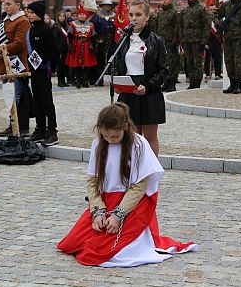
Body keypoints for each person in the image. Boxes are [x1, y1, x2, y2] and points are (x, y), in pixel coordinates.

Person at [57, 103, 198, 267]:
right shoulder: (98, 144)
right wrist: (97, 212)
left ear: (125, 128)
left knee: (104, 251)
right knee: (72, 243)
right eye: (105, 136)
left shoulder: (138, 145)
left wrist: (118, 215)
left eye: (115, 137)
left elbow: (140, 186)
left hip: (133, 203)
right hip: (105, 202)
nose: (109, 140)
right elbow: (93, 181)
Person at [113, 0, 168, 156]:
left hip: (149, 91)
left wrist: (149, 86)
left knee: (149, 137)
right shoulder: (124, 39)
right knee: (132, 136)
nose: (134, 18)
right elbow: (117, 64)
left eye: (138, 14)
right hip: (129, 91)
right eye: (131, 14)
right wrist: (117, 83)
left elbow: (164, 70)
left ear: (147, 16)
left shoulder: (156, 41)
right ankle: (133, 170)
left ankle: (151, 174)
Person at [0, 0, 32, 137]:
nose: (5, 6)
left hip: (17, 64)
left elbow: (19, 43)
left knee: (18, 96)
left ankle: (18, 125)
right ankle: (14, 123)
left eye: (8, 4)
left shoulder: (22, 21)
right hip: (4, 63)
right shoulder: (5, 21)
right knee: (10, 95)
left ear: (18, 6)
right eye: (5, 4)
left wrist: (1, 50)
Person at [26, 0, 60, 146]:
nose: (29, 14)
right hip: (33, 72)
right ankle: (40, 128)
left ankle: (52, 131)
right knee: (37, 101)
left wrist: (52, 68)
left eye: (32, 12)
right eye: (29, 12)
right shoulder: (31, 30)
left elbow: (55, 51)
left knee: (47, 102)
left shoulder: (46, 30)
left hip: (44, 71)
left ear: (39, 14)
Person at [180, 0, 210, 89]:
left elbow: (207, 25)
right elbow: (182, 26)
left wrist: (204, 40)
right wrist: (182, 39)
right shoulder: (186, 10)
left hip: (197, 40)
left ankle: (197, 82)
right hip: (187, 40)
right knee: (189, 62)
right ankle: (192, 81)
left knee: (197, 63)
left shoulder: (201, 9)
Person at [66, 8, 98, 88]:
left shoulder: (90, 24)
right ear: (77, 15)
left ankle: (85, 80)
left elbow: (93, 36)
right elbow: (69, 36)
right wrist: (69, 46)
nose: (82, 16)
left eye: (83, 14)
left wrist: (95, 46)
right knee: (77, 64)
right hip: (76, 46)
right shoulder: (72, 24)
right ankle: (78, 80)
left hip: (87, 46)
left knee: (87, 64)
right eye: (80, 14)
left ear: (86, 15)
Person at [155, 0, 181, 92]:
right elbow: (157, 28)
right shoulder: (160, 13)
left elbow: (177, 27)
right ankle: (165, 82)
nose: (164, 1)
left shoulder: (174, 13)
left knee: (172, 63)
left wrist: (175, 41)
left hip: (171, 42)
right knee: (163, 63)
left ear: (170, 0)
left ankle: (172, 84)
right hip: (161, 42)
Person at [204, 4, 223, 81]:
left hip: (217, 41)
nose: (213, 11)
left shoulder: (219, 18)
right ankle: (208, 74)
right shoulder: (205, 18)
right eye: (211, 9)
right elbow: (203, 31)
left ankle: (218, 74)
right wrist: (204, 43)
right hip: (208, 41)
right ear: (208, 10)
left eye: (214, 9)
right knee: (208, 59)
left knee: (218, 58)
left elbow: (221, 30)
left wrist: (221, 41)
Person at [51, 11, 70, 87]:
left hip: (65, 49)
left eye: (63, 16)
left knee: (65, 66)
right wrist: (57, 50)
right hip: (59, 49)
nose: (62, 18)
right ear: (57, 17)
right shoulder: (55, 27)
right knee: (60, 66)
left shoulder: (66, 26)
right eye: (60, 16)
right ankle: (60, 81)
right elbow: (54, 39)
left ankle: (63, 80)